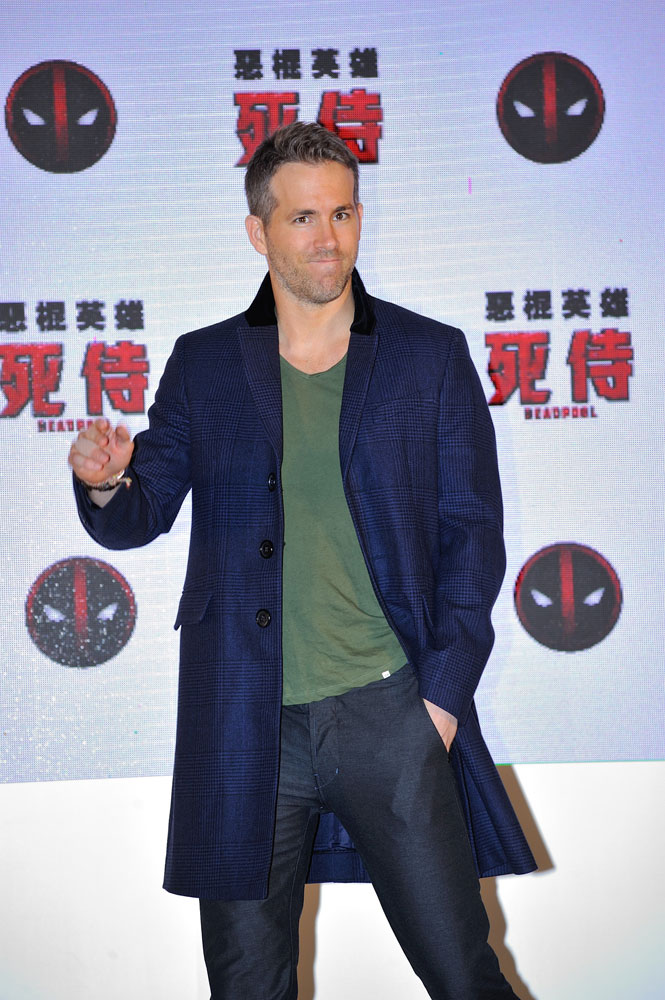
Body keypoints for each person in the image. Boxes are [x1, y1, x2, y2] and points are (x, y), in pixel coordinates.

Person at [69, 122, 536, 999]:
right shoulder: (204, 364)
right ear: (258, 231)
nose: (329, 238)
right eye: (303, 218)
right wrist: (103, 485)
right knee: (248, 984)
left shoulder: (428, 357)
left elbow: (473, 534)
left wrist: (436, 704)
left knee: (463, 973)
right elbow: (140, 515)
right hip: (245, 723)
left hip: (391, 711)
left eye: (343, 213)